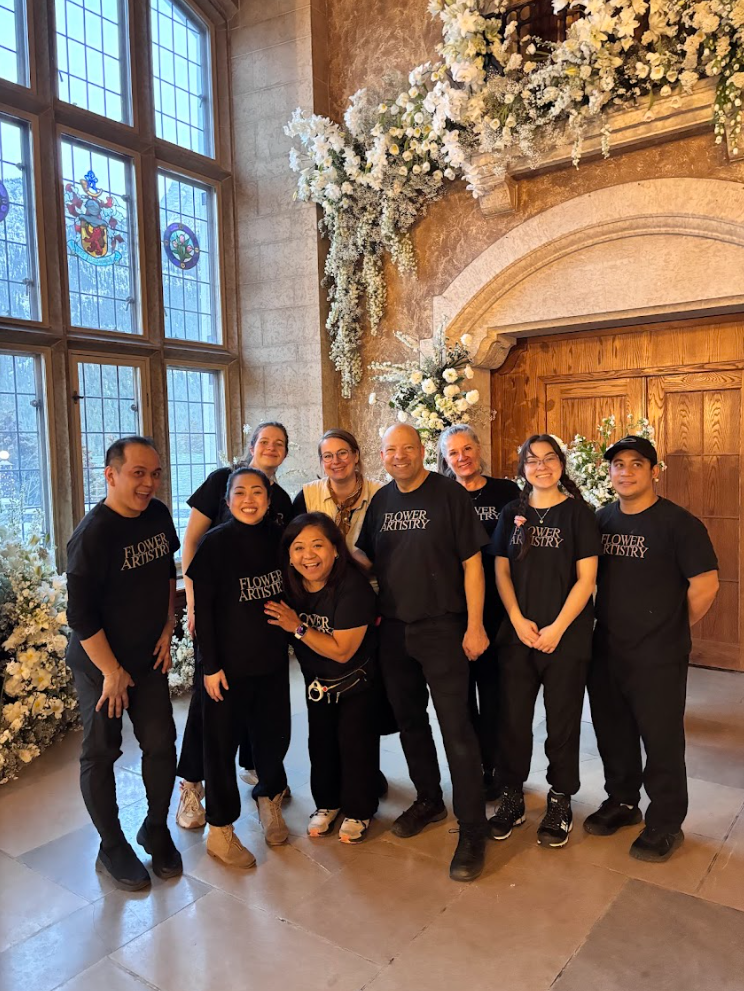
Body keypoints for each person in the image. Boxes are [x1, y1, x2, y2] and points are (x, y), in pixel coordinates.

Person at [355, 423, 490, 882]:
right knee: (410, 723)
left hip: (444, 628)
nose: (398, 456)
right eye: (390, 449)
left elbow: (473, 565)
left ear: (421, 452)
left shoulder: (449, 496)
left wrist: (474, 626)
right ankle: (429, 800)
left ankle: (473, 828)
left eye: (407, 448)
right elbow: (368, 560)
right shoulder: (381, 502)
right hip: (394, 630)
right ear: (382, 455)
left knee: (457, 728)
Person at [585, 435, 719, 862]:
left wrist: (669, 627)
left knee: (661, 740)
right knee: (613, 732)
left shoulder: (679, 524)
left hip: (658, 655)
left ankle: (665, 822)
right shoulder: (601, 520)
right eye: (618, 465)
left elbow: (705, 585)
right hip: (606, 648)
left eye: (636, 464)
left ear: (654, 471)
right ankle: (623, 802)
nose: (625, 472)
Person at [66, 436, 182, 890]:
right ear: (111, 474)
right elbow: (80, 617)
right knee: (101, 751)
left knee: (161, 742)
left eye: (155, 474)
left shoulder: (158, 514)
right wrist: (112, 672)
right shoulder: (93, 534)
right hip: (101, 665)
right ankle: (111, 845)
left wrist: (167, 626)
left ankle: (155, 828)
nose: (149, 483)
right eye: (138, 473)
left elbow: (166, 573)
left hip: (146, 657)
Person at [175, 421, 292, 829]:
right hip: (217, 615)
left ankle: (263, 774)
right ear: (251, 445)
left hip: (261, 638)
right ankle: (192, 784)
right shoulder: (221, 481)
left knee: (261, 709)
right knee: (210, 711)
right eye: (265, 441)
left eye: (280, 443)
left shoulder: (281, 502)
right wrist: (193, 601)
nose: (271, 448)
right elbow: (191, 542)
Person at [490, 434, 600, 848]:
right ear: (522, 469)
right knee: (514, 720)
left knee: (563, 723)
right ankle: (512, 796)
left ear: (561, 464)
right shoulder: (510, 514)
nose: (541, 466)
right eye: (531, 460)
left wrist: (556, 628)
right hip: (518, 635)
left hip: (565, 638)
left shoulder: (578, 514)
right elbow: (501, 572)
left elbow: (586, 579)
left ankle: (559, 799)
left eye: (549, 458)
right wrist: (517, 620)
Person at [266, 512, 379, 843]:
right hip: (318, 684)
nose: (308, 556)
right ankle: (328, 804)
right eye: (298, 548)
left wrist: (297, 627)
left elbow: (342, 650)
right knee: (321, 745)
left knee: (355, 745)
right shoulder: (290, 586)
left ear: (335, 549)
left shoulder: (353, 588)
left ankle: (359, 809)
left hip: (356, 683)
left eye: (318, 545)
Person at [439, 423, 519, 801]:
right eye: (453, 452)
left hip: (498, 607)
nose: (462, 457)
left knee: (496, 694)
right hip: (455, 608)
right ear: (445, 459)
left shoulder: (506, 491)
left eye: (467, 449)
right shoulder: (441, 495)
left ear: (478, 449)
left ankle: (498, 768)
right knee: (460, 695)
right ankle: (471, 769)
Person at [292, 428, 383, 552]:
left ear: (356, 456)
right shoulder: (307, 495)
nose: (336, 461)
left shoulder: (380, 492)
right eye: (328, 456)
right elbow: (294, 544)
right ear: (322, 462)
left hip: (369, 570)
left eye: (342, 453)